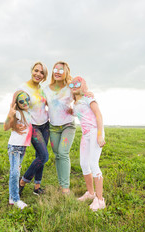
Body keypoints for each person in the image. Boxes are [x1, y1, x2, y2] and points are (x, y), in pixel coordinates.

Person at [70, 76, 106, 211]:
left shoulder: (89, 98)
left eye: (78, 83)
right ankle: (91, 194)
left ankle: (100, 200)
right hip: (85, 136)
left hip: (95, 132)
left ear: (84, 85)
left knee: (93, 164)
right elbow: (73, 113)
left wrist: (99, 135)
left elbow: (98, 115)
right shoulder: (76, 103)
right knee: (84, 164)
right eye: (72, 84)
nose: (74, 85)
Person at [43, 61, 76, 194]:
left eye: (61, 70)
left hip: (68, 126)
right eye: (55, 69)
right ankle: (61, 184)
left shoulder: (70, 87)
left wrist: (88, 93)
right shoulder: (46, 89)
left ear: (66, 72)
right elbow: (40, 105)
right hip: (53, 127)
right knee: (57, 155)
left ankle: (65, 187)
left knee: (63, 153)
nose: (57, 72)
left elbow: (80, 98)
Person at [18, 62, 49, 196]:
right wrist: (16, 123)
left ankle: (37, 187)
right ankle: (23, 181)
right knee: (44, 156)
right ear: (32, 71)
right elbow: (16, 106)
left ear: (44, 76)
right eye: (36, 71)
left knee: (39, 156)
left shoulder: (42, 89)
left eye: (41, 72)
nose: (38, 74)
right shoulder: (23, 88)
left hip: (45, 125)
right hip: (33, 126)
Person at [4, 90, 32, 209]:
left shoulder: (28, 113)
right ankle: (16, 199)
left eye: (27, 99)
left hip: (23, 147)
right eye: (21, 101)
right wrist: (10, 115)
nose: (25, 102)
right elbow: (5, 127)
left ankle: (12, 196)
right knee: (15, 173)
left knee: (16, 172)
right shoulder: (16, 113)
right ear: (17, 103)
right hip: (14, 146)